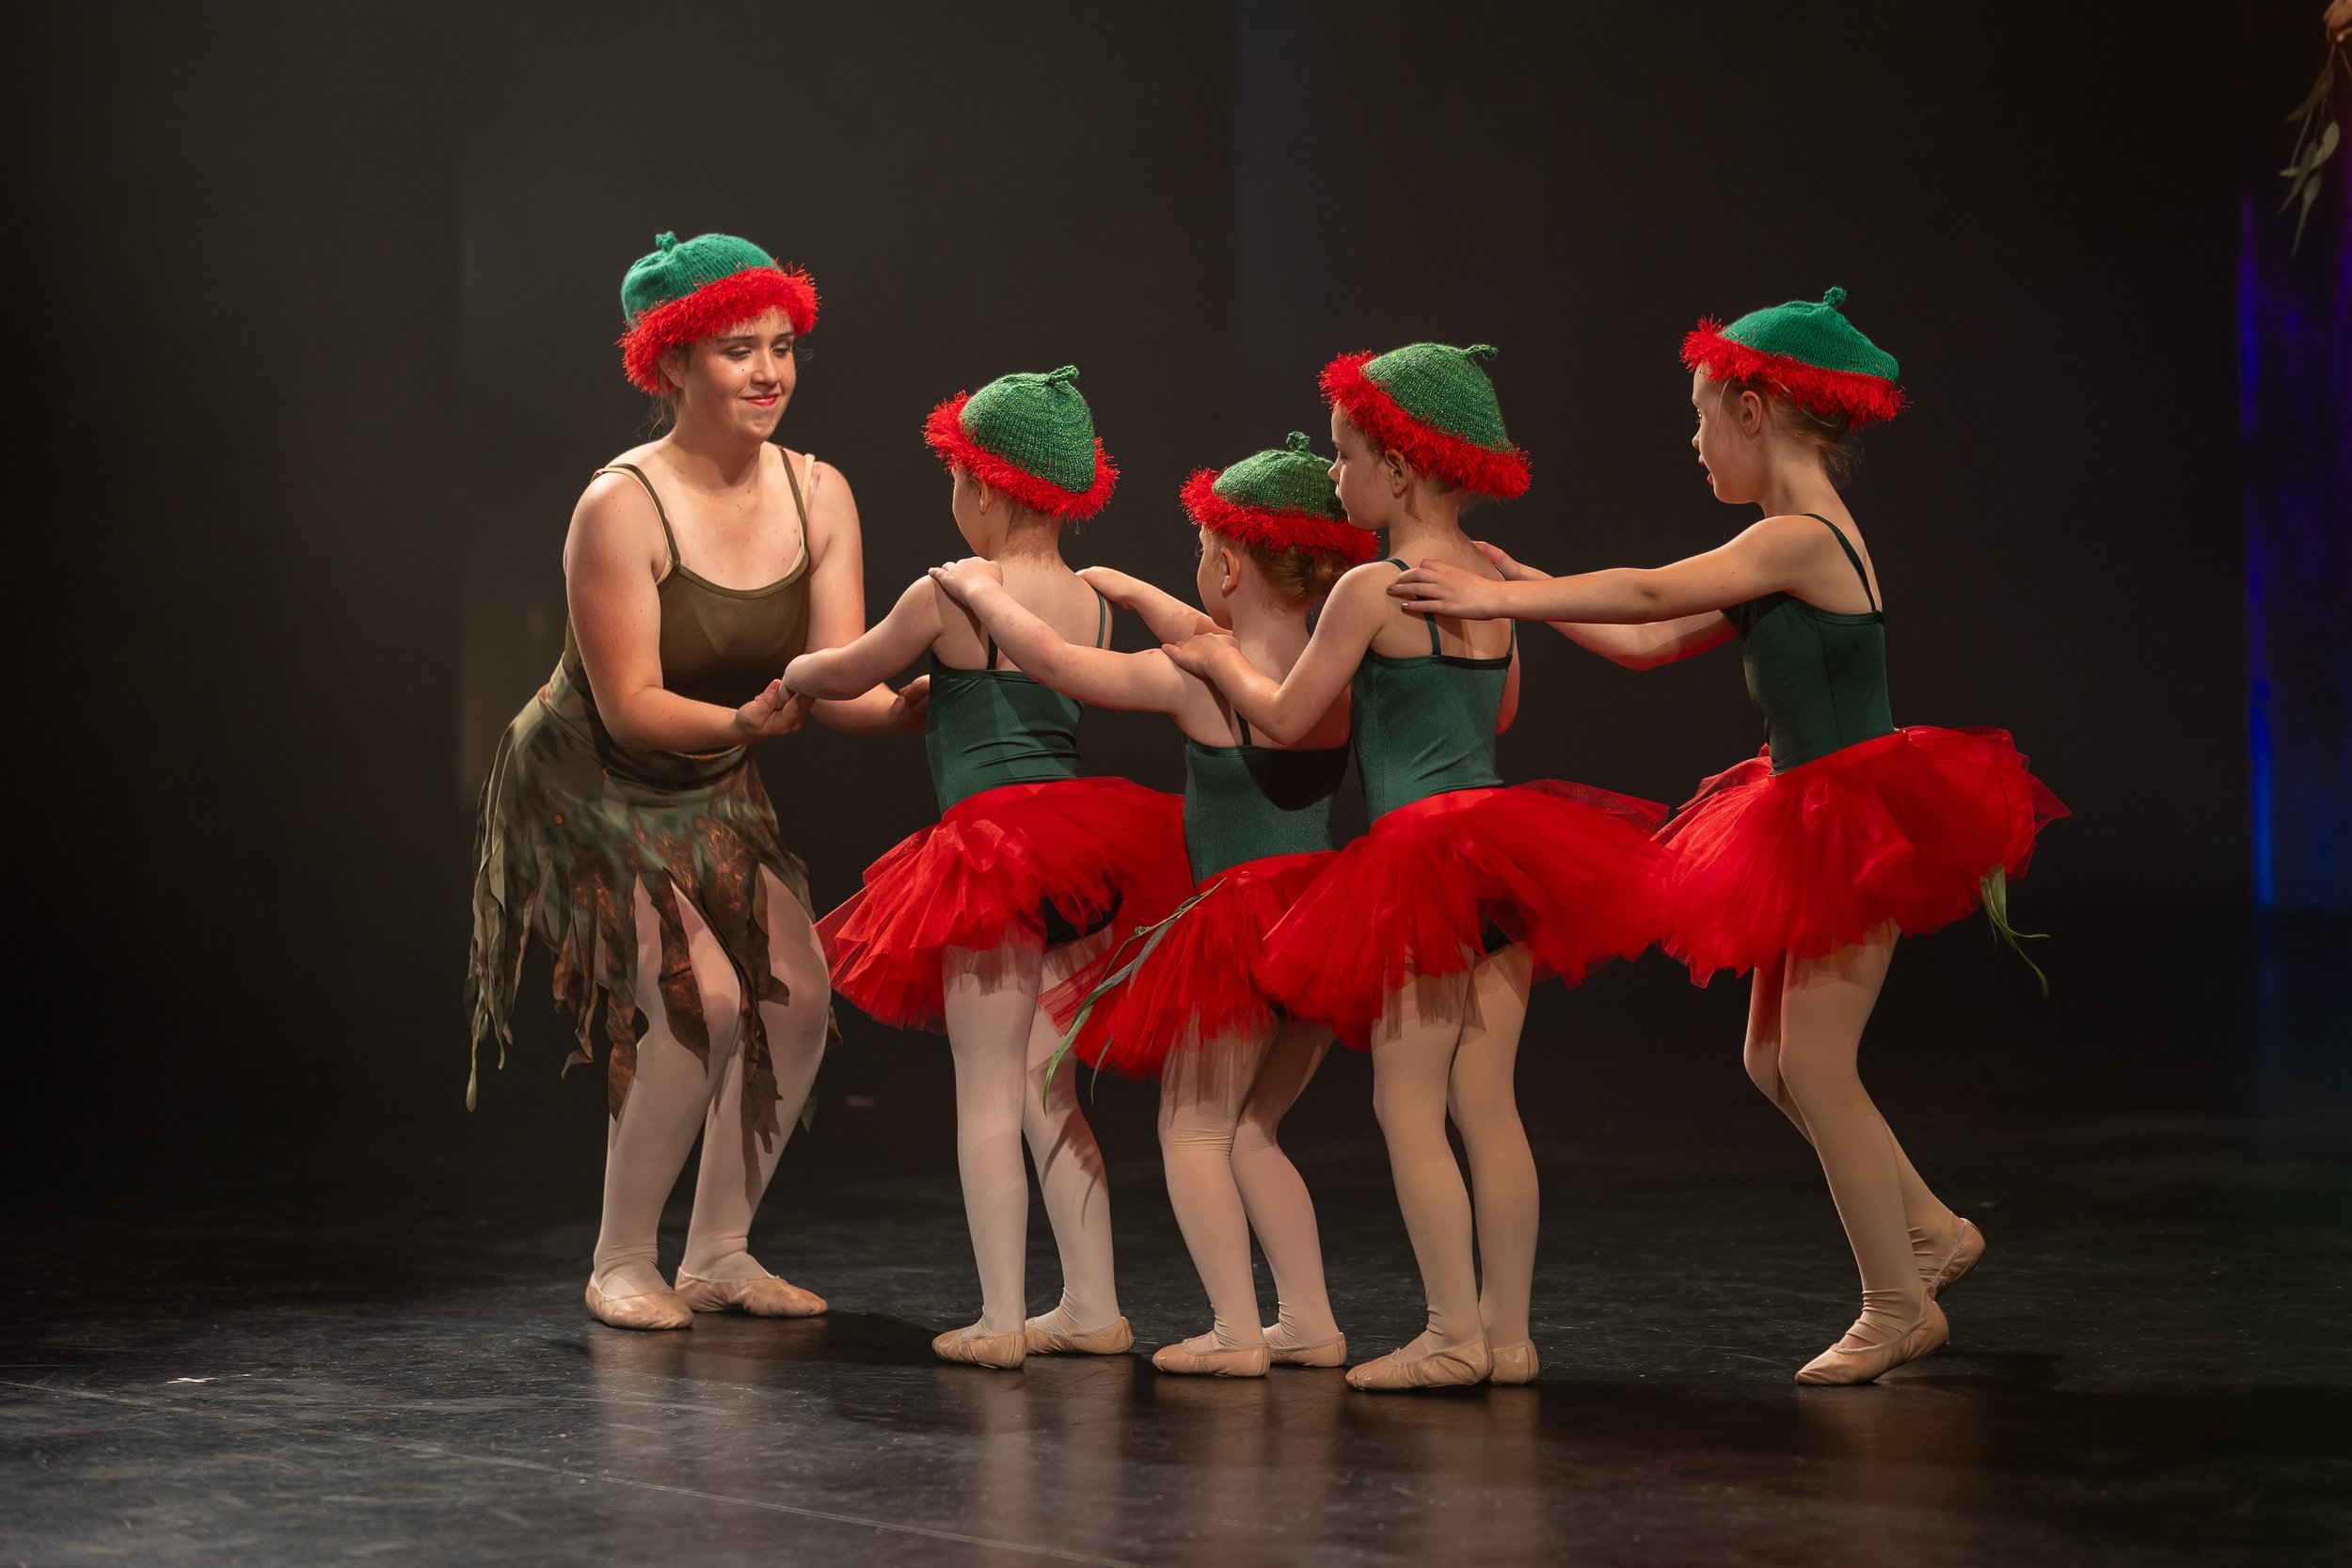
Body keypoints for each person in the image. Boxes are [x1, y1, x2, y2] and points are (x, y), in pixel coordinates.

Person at [1389, 289, 2066, 1383]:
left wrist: (1514, 599)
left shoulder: (1800, 538)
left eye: (1703, 417)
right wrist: (1524, 586)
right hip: (1803, 806)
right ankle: (1932, 1229)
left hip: (1856, 820)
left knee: (1813, 1059)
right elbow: (1651, 635)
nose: (1692, 440)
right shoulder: (1773, 544)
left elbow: (1653, 584)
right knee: (1768, 1058)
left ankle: (1897, 1301)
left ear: (1754, 412)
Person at [1166, 346, 1668, 1390]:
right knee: (1489, 1103)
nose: (1339, 481)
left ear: (1396, 470)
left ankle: (1449, 1331)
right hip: (1502, 843)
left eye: (1346, 457)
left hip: (1417, 858)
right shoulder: (1489, 578)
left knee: (1407, 1103)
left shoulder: (1370, 585)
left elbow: (1291, 715)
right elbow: (1505, 709)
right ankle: (1509, 1333)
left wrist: (1214, 656)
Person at [468, 231, 926, 1331]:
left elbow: (833, 674)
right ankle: (621, 1257)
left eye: (782, 346)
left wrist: (908, 698)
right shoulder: (620, 505)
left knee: (798, 994)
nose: (770, 372)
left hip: (714, 765)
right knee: (698, 1001)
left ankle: (720, 1248)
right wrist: (749, 718)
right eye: (736, 350)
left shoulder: (819, 491)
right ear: (670, 364)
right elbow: (630, 702)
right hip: (594, 776)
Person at [930, 432, 1375, 1377]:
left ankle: (1235, 1329)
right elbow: (1218, 634)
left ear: (1225, 563)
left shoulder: (1196, 676)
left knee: (1194, 1128)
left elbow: (1057, 663)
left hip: (1237, 924)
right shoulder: (1333, 671)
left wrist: (977, 592)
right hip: (1323, 917)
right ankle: (1309, 1321)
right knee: (1257, 1130)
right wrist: (1134, 594)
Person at [785, 368, 1191, 1370]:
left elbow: (851, 669)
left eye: (956, 476)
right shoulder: (1087, 601)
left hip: (991, 854)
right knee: (1047, 1085)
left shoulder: (954, 588)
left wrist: (795, 671)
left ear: (991, 490)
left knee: (983, 1090)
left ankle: (1001, 1316)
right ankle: (1092, 1303)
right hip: (1081, 847)